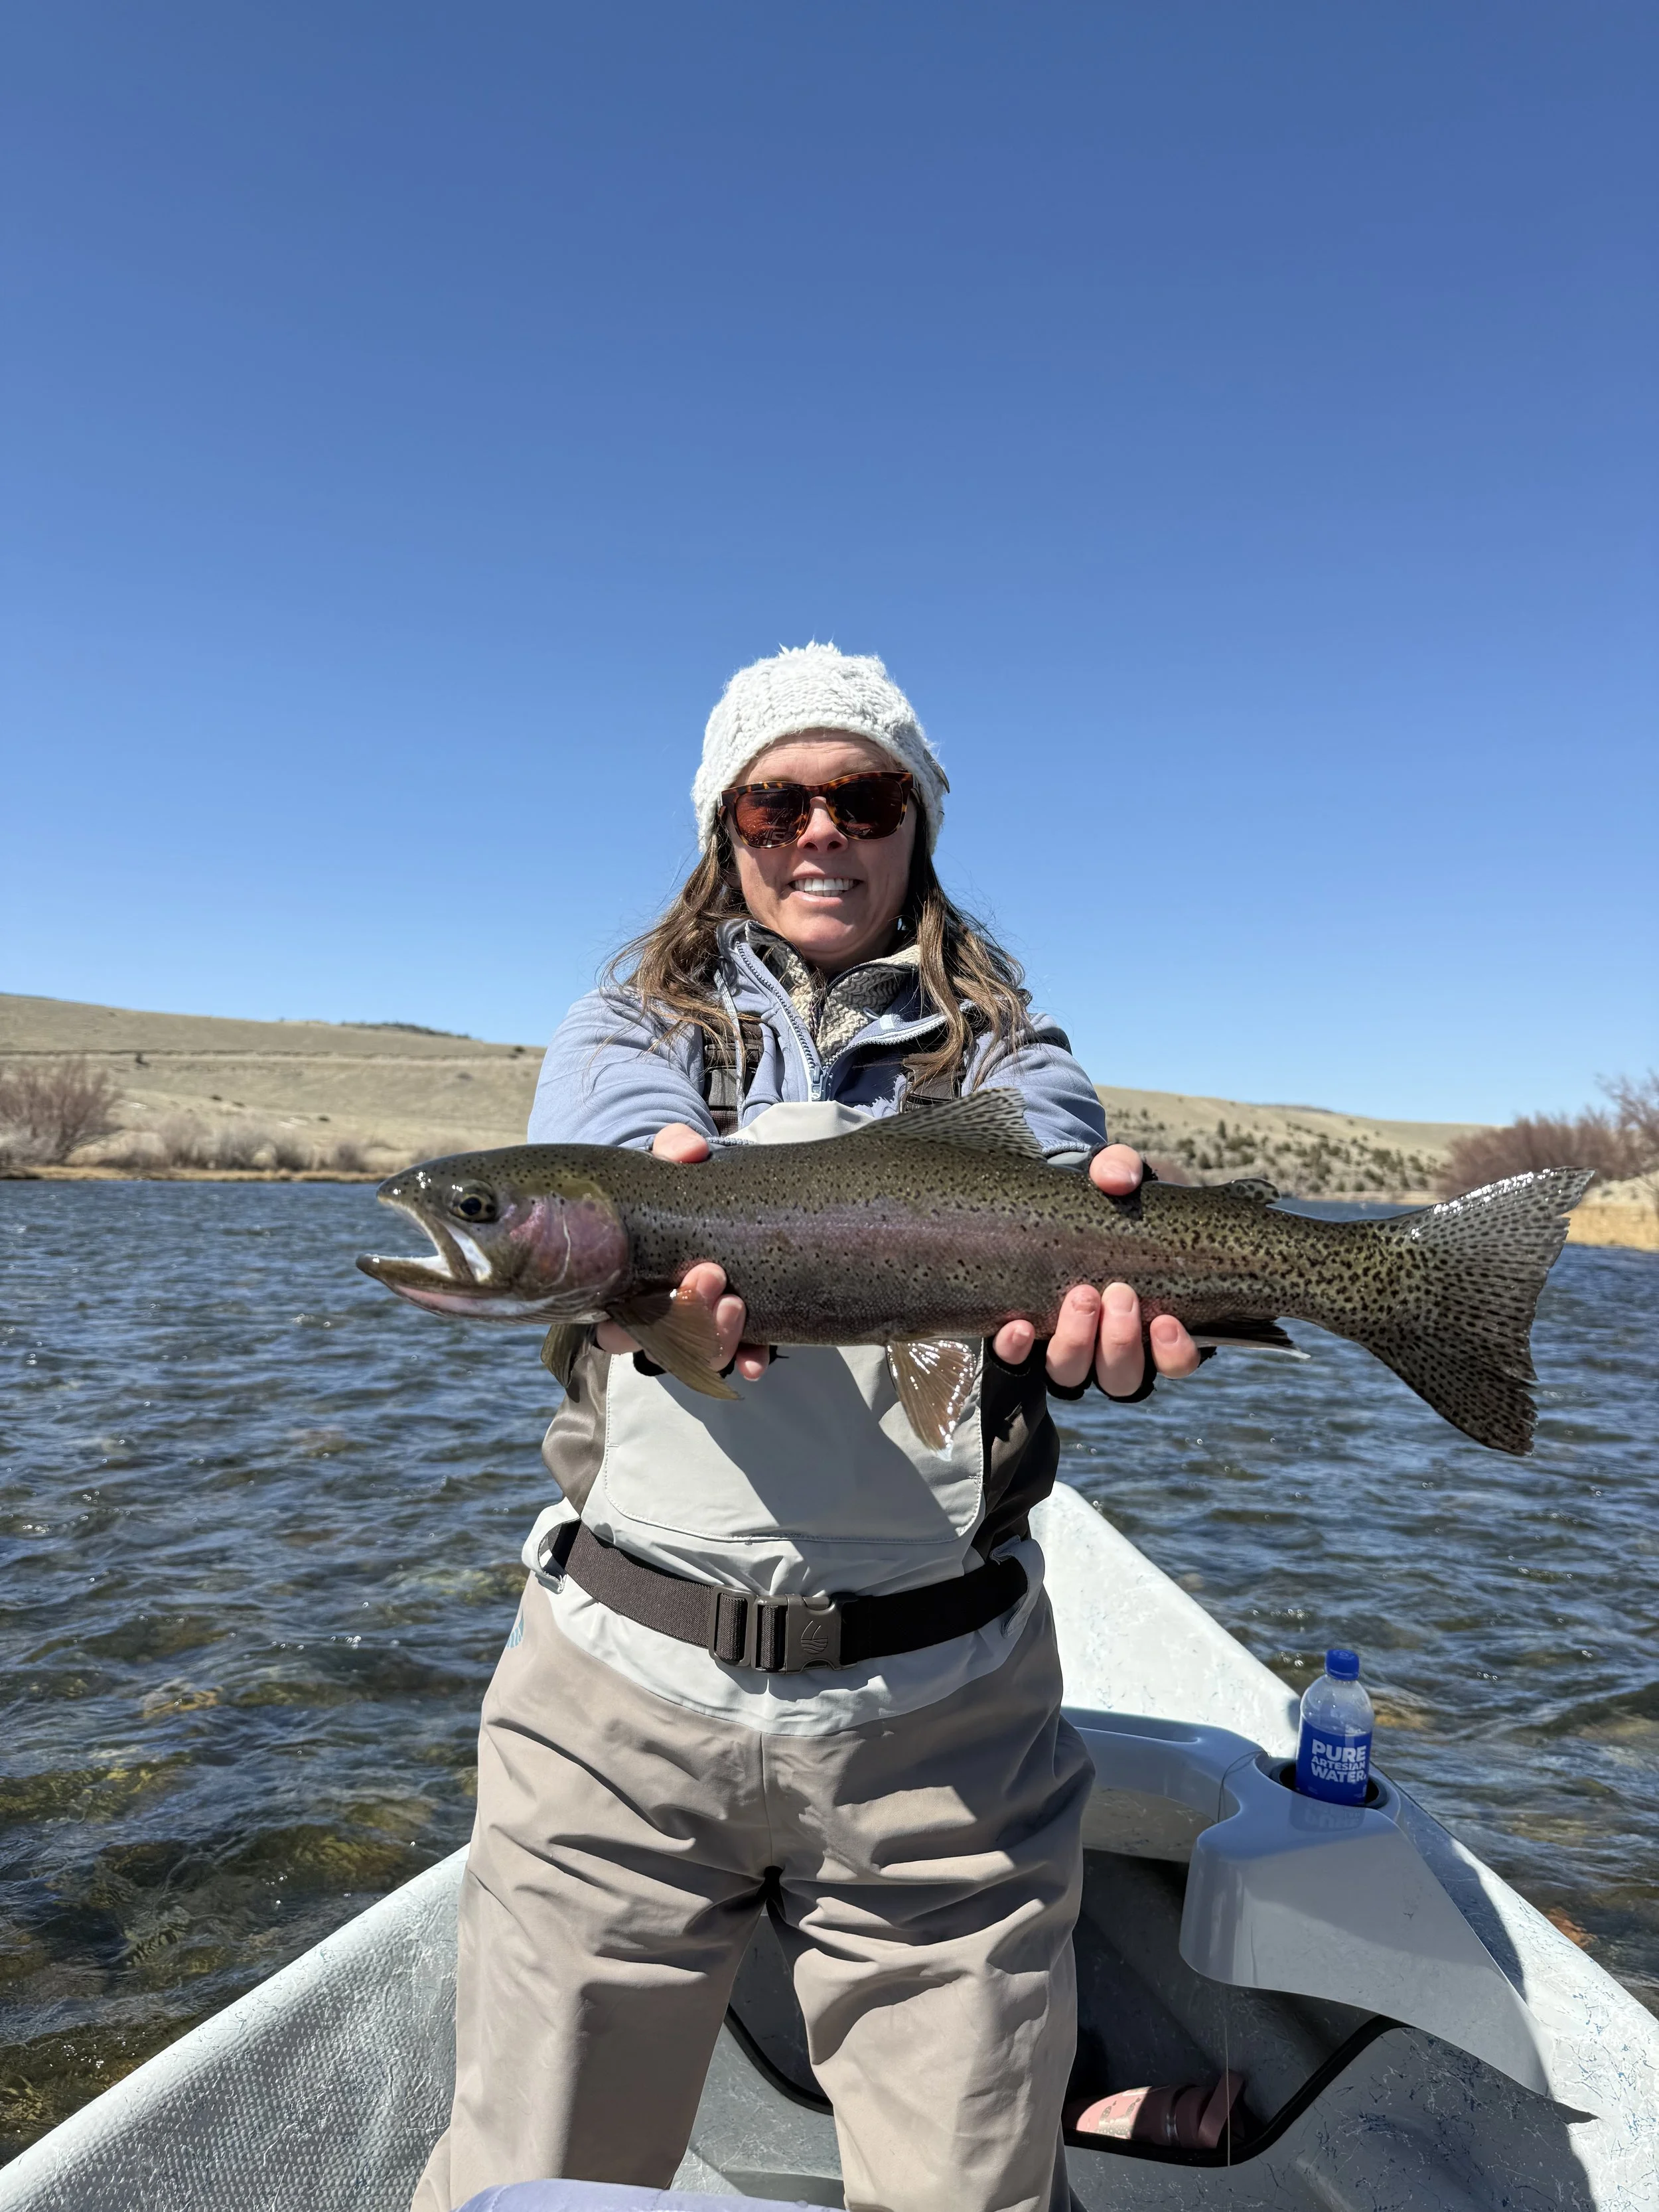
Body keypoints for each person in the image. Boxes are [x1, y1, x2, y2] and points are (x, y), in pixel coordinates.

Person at [413, 645, 1201, 2212]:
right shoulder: (628, 1035)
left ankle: (1384, 1296)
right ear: (727, 829)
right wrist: (647, 1246)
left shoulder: (1014, 1059)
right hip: (613, 1723)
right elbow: (611, 1140)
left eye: (864, 797)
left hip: (946, 1742)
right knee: (530, 2187)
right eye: (778, 801)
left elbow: (1050, 1150)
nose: (819, 832)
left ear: (917, 827)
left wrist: (1092, 1254)